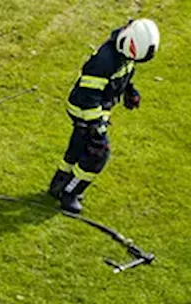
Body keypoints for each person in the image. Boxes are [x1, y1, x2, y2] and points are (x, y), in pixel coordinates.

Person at [49, 18, 160, 213]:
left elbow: (124, 75)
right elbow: (88, 96)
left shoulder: (123, 54)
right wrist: (97, 125)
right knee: (98, 154)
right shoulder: (104, 61)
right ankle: (70, 193)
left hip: (95, 110)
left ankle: (59, 183)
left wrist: (129, 91)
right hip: (86, 111)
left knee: (78, 146)